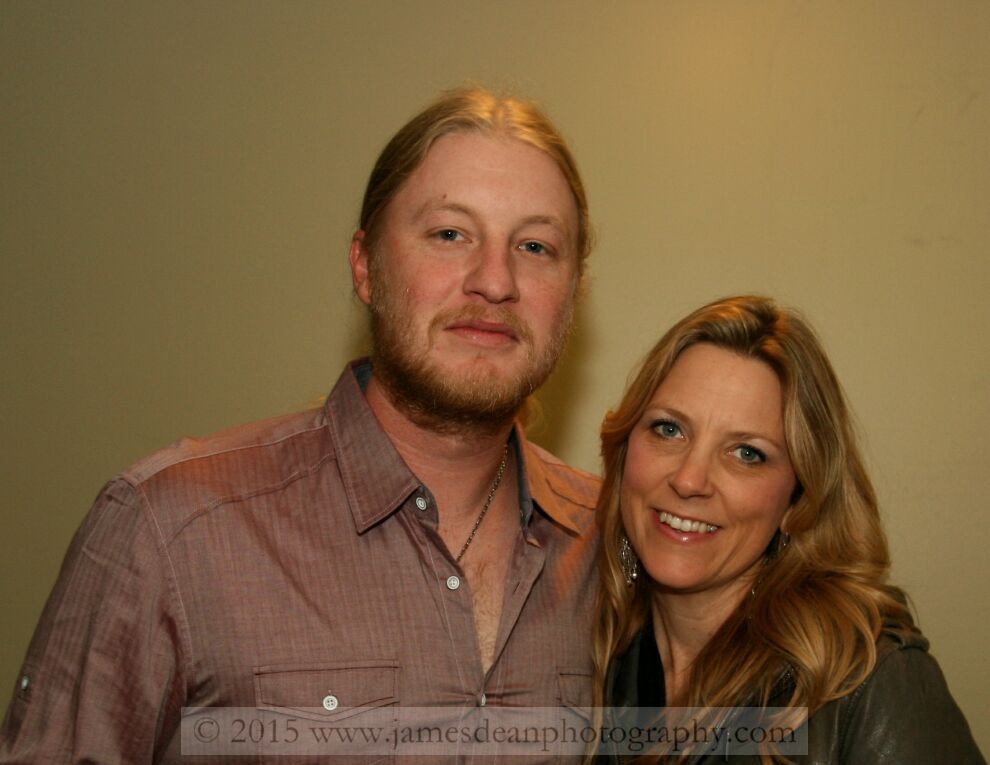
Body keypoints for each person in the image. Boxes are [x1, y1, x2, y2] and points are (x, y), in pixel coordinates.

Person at [0, 86, 600, 763]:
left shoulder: (620, 550)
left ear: (572, 292)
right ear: (366, 266)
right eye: (449, 234)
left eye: (535, 246)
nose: (494, 280)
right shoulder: (172, 529)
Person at [592, 296, 984, 764]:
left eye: (747, 454)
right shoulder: (595, 650)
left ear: (798, 499)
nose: (689, 480)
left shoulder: (871, 682)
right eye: (669, 430)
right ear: (624, 451)